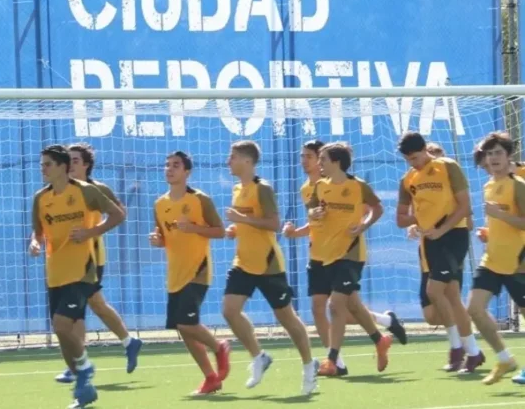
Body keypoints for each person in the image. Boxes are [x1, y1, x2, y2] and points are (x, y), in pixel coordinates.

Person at [283, 141, 405, 376]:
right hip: (322, 254)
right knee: (348, 306)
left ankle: (333, 360)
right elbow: (311, 210)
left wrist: (363, 226)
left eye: (321, 159)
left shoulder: (358, 186)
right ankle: (380, 338)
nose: (317, 163)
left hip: (349, 254)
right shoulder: (318, 186)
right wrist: (312, 214)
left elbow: (377, 209)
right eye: (311, 158)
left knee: (336, 305)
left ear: (335, 162)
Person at [29, 145, 125, 408]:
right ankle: (84, 390)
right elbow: (37, 232)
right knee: (62, 333)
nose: (43, 168)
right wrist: (35, 243)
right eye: (42, 164)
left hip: (82, 271)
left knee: (61, 325)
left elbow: (118, 214)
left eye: (47, 164)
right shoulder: (40, 198)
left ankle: (84, 369)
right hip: (55, 272)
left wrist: (91, 232)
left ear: (62, 167)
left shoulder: (85, 191)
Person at [222, 140, 317, 395]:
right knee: (230, 311)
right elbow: (249, 224)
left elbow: (274, 224)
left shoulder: (262, 188)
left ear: (247, 161)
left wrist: (241, 219)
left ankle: (309, 365)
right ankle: (259, 356)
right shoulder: (236, 189)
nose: (228, 161)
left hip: (268, 264)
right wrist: (236, 229)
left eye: (232, 156)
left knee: (286, 318)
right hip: (243, 262)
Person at [395, 132, 485, 373]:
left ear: (425, 149)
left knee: (434, 290)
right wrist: (420, 218)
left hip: (453, 236)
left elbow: (465, 206)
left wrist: (442, 227)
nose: (413, 163)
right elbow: (400, 219)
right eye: (408, 160)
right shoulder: (408, 179)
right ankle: (473, 352)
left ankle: (456, 349)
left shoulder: (448, 166)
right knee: (452, 298)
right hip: (431, 241)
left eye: (415, 157)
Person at [53, 143, 142, 384]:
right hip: (67, 260)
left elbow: (120, 212)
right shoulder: (59, 190)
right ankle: (128, 342)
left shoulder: (96, 189)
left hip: (91, 259)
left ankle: (77, 367)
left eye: (75, 161)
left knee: (78, 313)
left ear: (86, 165)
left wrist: (92, 232)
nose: (70, 165)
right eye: (67, 160)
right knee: (93, 306)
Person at [150, 151, 231, 395]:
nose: (169, 169)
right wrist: (157, 240)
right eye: (167, 165)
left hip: (198, 270)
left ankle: (219, 348)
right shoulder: (160, 204)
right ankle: (210, 378)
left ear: (187, 172)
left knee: (186, 322)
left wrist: (194, 228)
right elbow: (164, 236)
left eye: (175, 165)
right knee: (182, 327)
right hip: (175, 274)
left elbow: (220, 231)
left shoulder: (199, 199)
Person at [467, 132, 525, 384]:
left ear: (508, 155)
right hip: (492, 259)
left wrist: (499, 217)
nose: (493, 158)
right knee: (475, 309)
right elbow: (500, 221)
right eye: (489, 154)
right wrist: (489, 232)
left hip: (517, 261)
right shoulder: (488, 185)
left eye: (498, 153)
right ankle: (504, 358)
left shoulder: (518, 185)